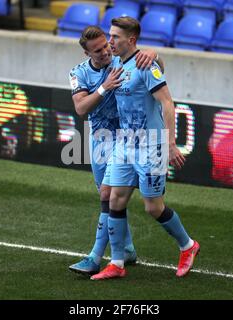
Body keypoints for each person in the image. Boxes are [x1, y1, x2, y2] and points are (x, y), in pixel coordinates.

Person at [90, 17, 200, 280]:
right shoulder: (116, 62)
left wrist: (171, 143)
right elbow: (90, 58)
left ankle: (188, 245)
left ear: (132, 40)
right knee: (113, 198)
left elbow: (168, 104)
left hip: (151, 147)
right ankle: (116, 263)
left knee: (153, 207)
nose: (110, 41)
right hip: (124, 144)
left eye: (115, 37)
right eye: (110, 35)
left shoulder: (146, 66)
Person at [68, 25, 163, 276]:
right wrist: (104, 87)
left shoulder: (121, 60)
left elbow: (155, 69)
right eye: (98, 50)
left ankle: (95, 257)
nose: (105, 52)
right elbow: (80, 109)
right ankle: (127, 250)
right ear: (87, 54)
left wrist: (154, 54)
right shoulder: (78, 73)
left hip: (125, 137)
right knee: (109, 198)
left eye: (106, 45)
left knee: (108, 195)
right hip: (100, 138)